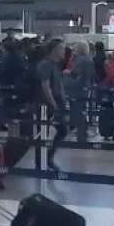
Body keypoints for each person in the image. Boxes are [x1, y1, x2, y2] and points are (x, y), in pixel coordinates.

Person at [38, 39, 68, 171]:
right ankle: (42, 161)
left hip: (57, 102)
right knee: (44, 133)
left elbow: (59, 85)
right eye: (61, 48)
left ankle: (46, 158)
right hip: (47, 104)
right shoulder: (46, 65)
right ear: (53, 49)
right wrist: (53, 105)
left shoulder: (56, 65)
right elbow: (45, 86)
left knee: (60, 131)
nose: (63, 51)